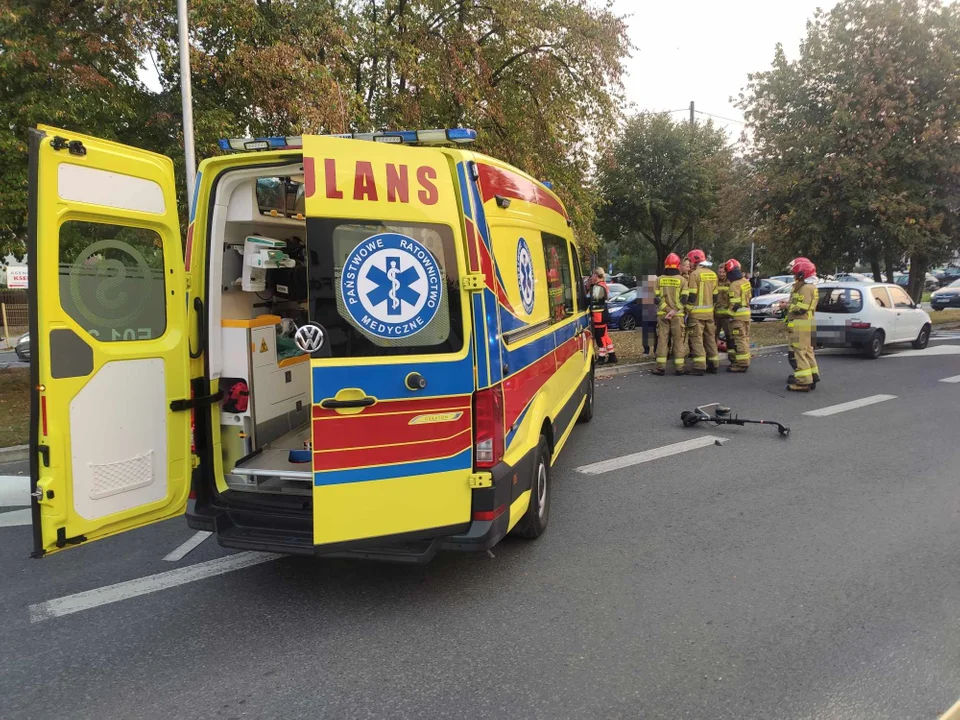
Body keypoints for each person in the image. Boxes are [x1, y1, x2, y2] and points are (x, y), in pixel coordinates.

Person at [682, 249, 720, 375]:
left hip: (696, 314)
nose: (690, 264)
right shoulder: (713, 274)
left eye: (690, 261)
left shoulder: (694, 274)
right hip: (709, 313)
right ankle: (714, 364)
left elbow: (692, 295)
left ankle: (699, 366)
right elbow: (715, 296)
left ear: (694, 260)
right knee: (710, 338)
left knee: (696, 339)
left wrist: (687, 309)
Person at [785, 258, 820, 391]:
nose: (794, 276)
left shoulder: (805, 288)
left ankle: (803, 382)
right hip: (807, 323)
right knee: (807, 352)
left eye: (796, 274)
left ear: (802, 274)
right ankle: (812, 376)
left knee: (799, 352)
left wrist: (787, 306)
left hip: (800, 324)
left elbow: (801, 308)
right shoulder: (810, 287)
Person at [651, 253, 687, 376]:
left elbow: (655, 298)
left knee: (662, 340)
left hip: (662, 315)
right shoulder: (682, 280)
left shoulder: (659, 279)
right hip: (678, 316)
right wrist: (674, 311)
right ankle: (680, 368)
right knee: (678, 340)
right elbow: (685, 299)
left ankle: (660, 368)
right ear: (678, 265)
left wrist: (667, 310)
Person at [724, 259, 752, 372]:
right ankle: (744, 361)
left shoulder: (734, 285)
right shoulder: (746, 281)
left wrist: (728, 314)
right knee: (745, 338)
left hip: (738, 316)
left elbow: (734, 303)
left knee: (739, 339)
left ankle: (742, 364)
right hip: (746, 313)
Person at [590, 267, 617, 364]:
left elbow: (595, 302)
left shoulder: (598, 287)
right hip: (603, 314)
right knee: (605, 336)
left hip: (599, 316)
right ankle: (612, 355)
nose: (592, 276)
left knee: (600, 337)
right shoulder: (603, 285)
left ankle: (602, 357)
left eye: (593, 274)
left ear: (596, 275)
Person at [715, 263, 731, 359]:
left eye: (723, 272)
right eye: (720, 272)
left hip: (726, 315)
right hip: (716, 314)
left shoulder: (730, 282)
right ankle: (713, 357)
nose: (721, 274)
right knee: (713, 336)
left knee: (729, 336)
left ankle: (732, 358)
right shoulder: (714, 282)